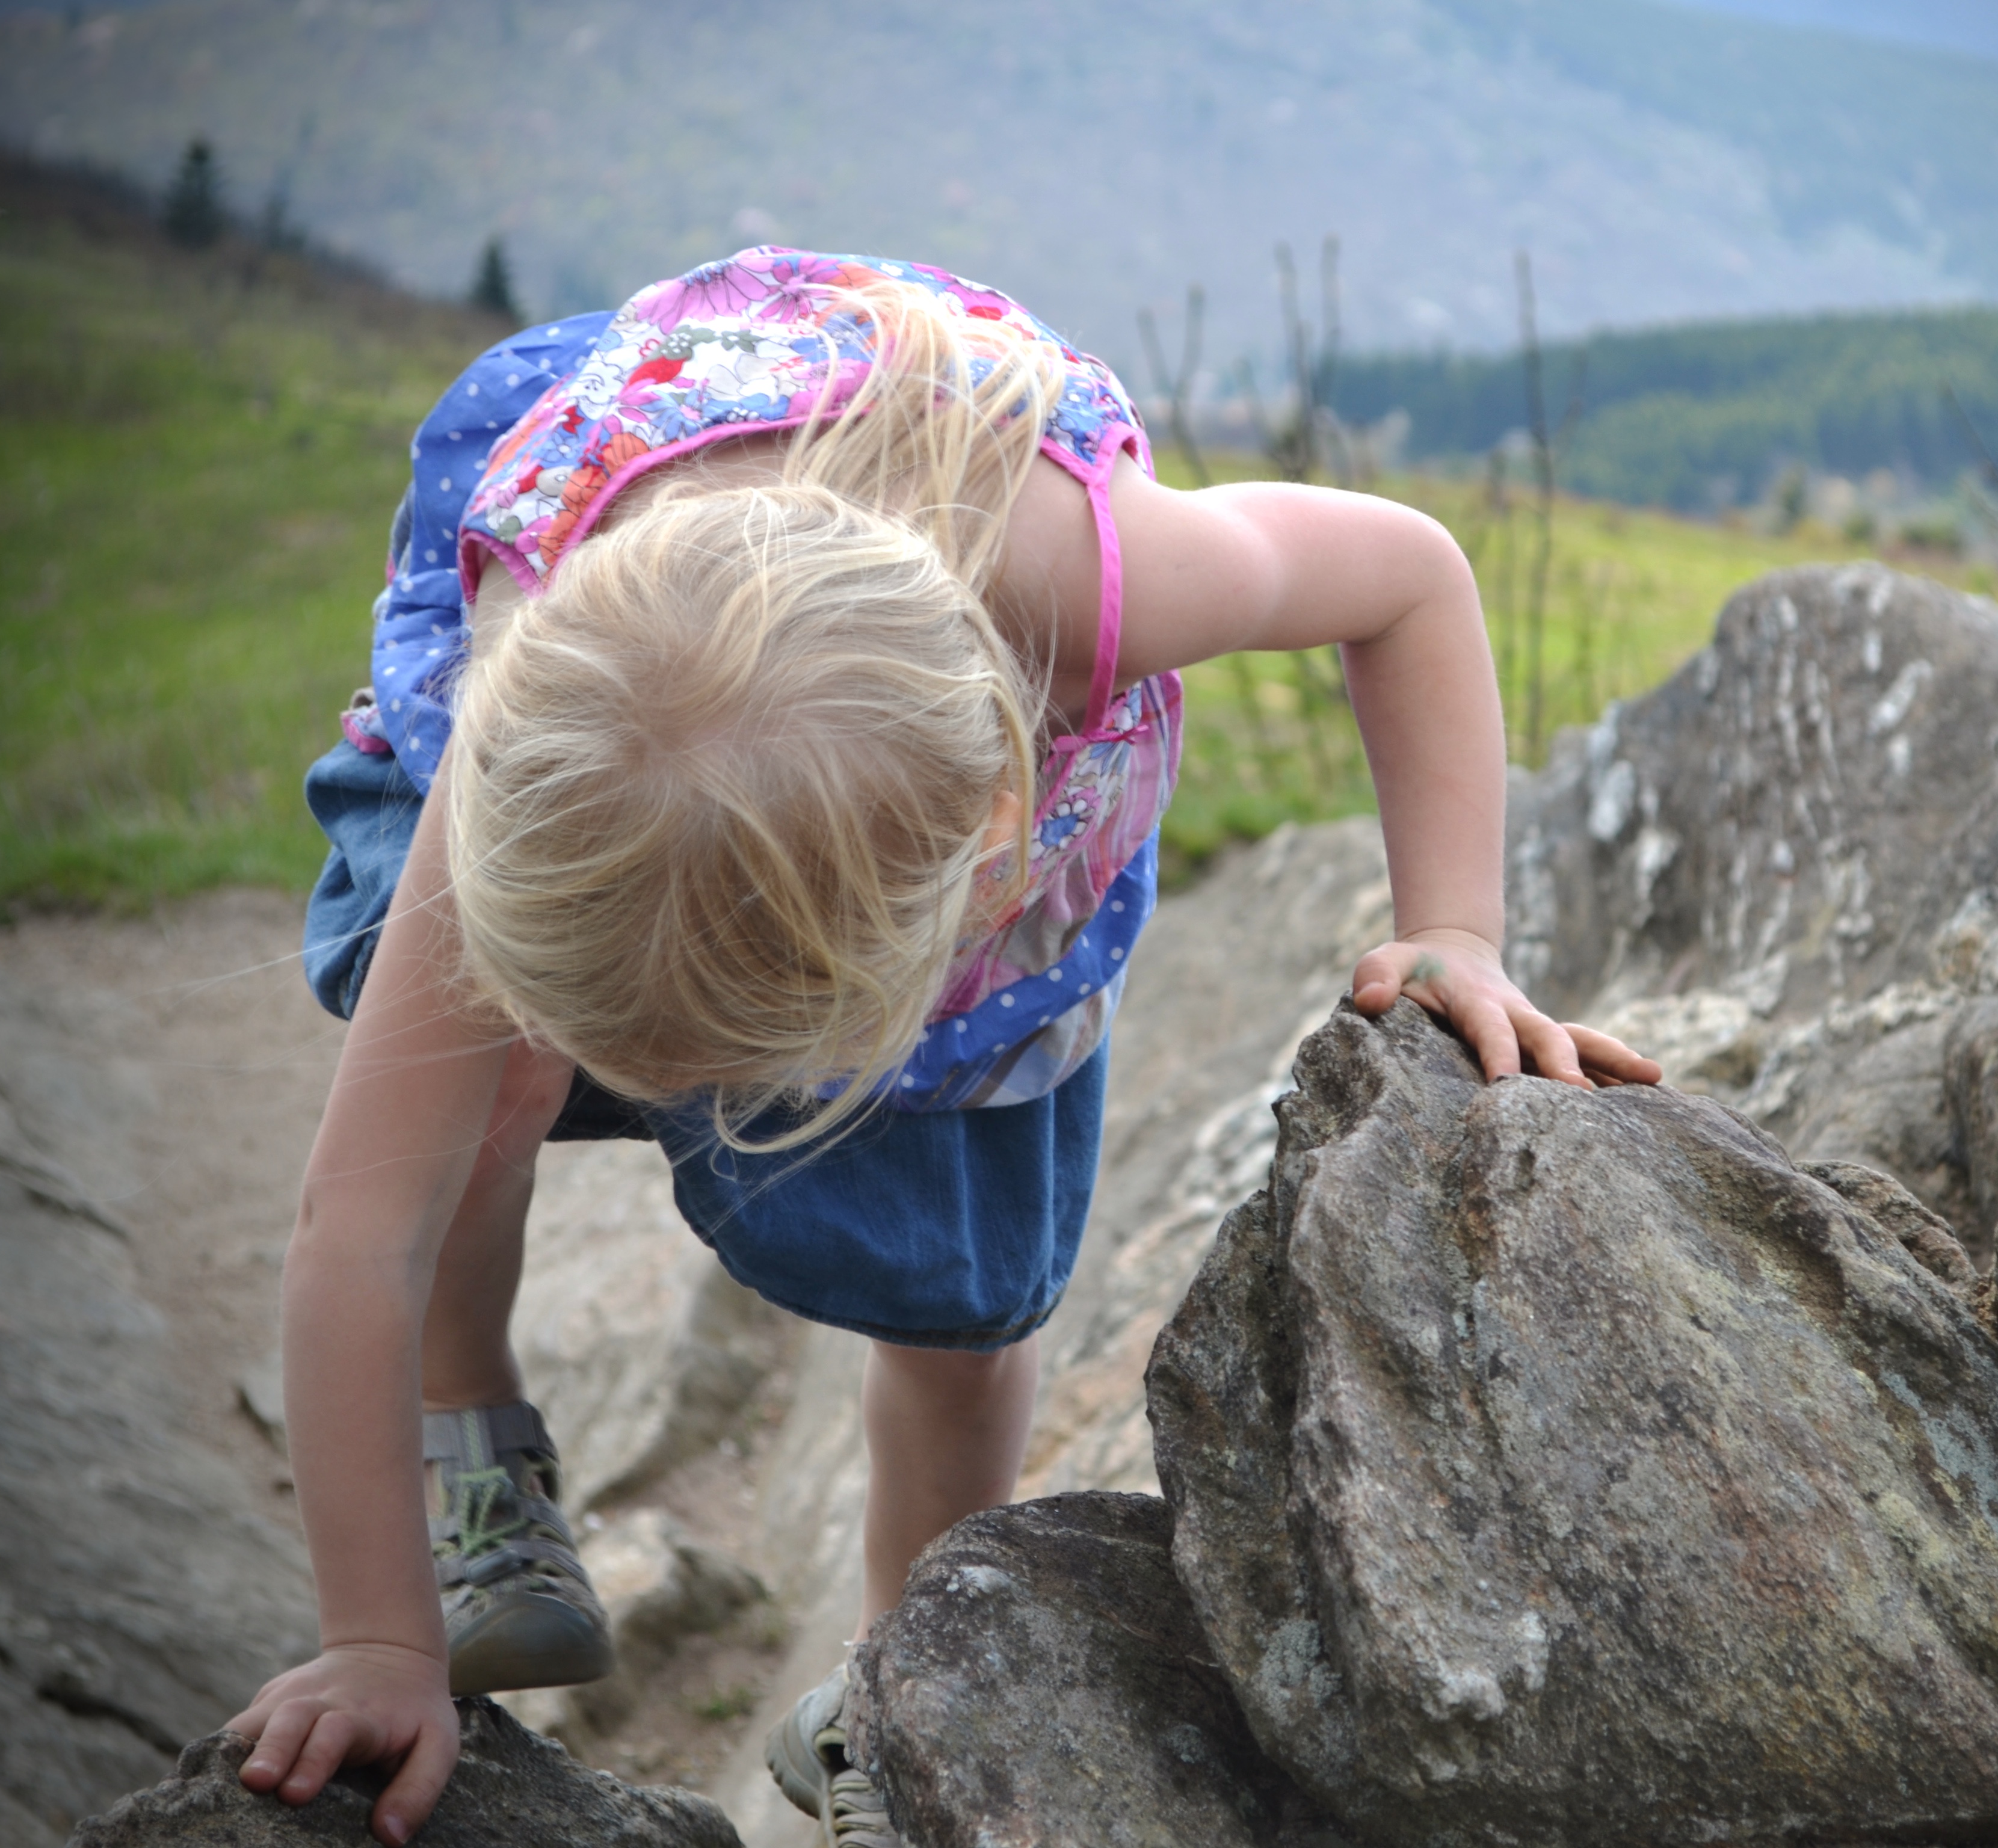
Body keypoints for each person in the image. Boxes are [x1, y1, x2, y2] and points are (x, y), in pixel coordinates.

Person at [227, 247, 1659, 1847]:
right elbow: (357, 1230)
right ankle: (469, 1424)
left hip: (928, 639)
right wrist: (380, 1643)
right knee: (477, 1085)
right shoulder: (541, 731)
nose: (697, 1102)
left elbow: (1408, 577)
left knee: (962, 1298)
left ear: (990, 849)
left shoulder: (1104, 579)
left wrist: (1456, 928)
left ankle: (903, 1669)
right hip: (641, 573)